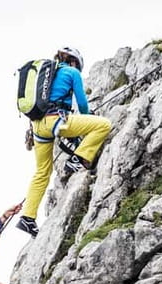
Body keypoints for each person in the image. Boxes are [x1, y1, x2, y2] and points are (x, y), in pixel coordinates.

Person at [17, 46, 112, 238]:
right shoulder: (72, 72)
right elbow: (83, 104)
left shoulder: (47, 75)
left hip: (38, 127)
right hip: (56, 120)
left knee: (42, 171)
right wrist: (87, 119)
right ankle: (78, 159)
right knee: (103, 125)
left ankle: (27, 217)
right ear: (75, 62)